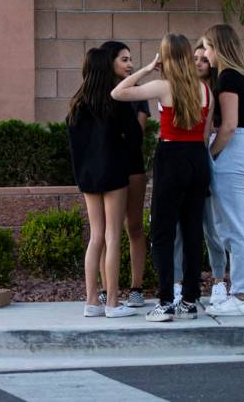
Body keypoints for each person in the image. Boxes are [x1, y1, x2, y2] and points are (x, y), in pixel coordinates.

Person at [112, 34, 211, 322]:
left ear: (166, 58)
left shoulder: (162, 86)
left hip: (172, 157)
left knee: (162, 233)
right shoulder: (204, 89)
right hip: (197, 158)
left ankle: (166, 301)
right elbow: (204, 132)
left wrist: (145, 69)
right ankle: (190, 300)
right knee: (193, 231)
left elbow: (118, 93)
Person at [67, 48, 137, 318]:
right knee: (113, 237)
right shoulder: (115, 100)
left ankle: (92, 301)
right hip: (114, 173)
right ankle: (113, 303)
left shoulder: (76, 103)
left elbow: (74, 148)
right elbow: (133, 136)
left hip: (87, 177)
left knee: (95, 237)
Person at [202, 24, 244, 317]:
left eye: (207, 47)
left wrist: (210, 156)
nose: (205, 53)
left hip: (234, 149)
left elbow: (227, 125)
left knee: (232, 227)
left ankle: (240, 295)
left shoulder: (227, 78)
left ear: (218, 47)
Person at [173, 43, 229, 306]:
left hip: (207, 160)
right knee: (177, 230)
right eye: (193, 58)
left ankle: (219, 281)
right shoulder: (177, 91)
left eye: (203, 59)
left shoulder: (217, 91)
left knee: (211, 226)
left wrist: (212, 153)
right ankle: (176, 283)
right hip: (181, 161)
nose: (198, 63)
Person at [98, 41, 149, 309]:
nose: (130, 64)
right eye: (124, 59)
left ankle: (136, 288)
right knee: (106, 230)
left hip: (131, 164)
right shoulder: (98, 91)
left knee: (134, 226)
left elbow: (137, 134)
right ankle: (107, 289)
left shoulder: (137, 91)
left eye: (131, 59)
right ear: (110, 62)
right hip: (106, 166)